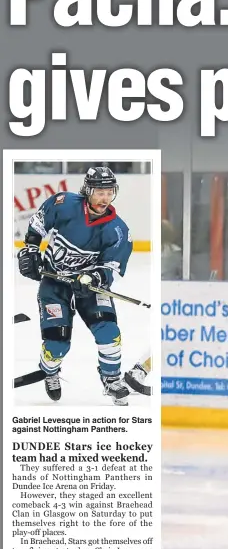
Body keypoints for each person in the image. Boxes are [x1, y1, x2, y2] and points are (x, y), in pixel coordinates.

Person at [17, 166, 133, 406]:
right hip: (54, 284)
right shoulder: (64, 203)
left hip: (89, 288)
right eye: (99, 192)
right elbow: (39, 223)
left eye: (109, 192)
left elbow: (112, 267)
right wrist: (30, 249)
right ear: (87, 190)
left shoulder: (118, 230)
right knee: (56, 345)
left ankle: (111, 379)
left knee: (109, 333)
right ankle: (50, 370)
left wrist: (96, 278)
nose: (105, 198)